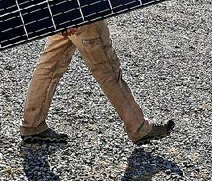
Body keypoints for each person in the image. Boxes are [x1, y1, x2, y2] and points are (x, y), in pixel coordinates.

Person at [20, 20, 174, 147]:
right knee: (108, 70)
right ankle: (139, 127)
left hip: (61, 12)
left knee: (50, 65)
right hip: (83, 12)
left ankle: (33, 124)